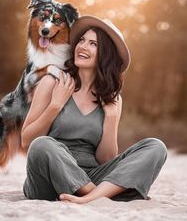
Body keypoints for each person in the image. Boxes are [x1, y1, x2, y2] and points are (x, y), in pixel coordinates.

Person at [21, 15, 167, 204]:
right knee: (43, 145)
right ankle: (99, 194)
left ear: (105, 55)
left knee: (155, 147)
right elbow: (27, 141)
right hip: (48, 180)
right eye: (81, 40)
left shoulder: (112, 99)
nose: (82, 46)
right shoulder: (52, 83)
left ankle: (89, 196)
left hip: (92, 174)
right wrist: (55, 106)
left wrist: (111, 118)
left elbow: (105, 159)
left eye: (93, 44)